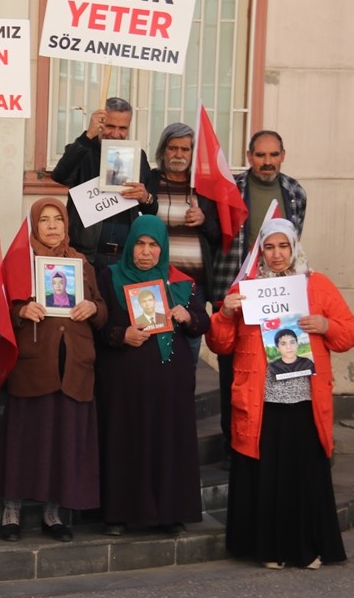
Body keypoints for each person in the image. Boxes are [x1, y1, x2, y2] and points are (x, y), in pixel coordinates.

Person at [207, 218, 354, 569]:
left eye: (284, 246)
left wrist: (325, 325)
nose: (277, 255)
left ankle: (307, 547)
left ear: (294, 249)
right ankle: (269, 549)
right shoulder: (246, 288)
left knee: (304, 478)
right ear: (261, 251)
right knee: (266, 479)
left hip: (305, 399)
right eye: (270, 247)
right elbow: (220, 344)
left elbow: (351, 332)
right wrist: (225, 315)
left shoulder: (316, 285)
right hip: (260, 402)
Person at [0, 199, 106, 542]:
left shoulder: (81, 263)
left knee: (63, 441)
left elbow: (102, 309)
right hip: (34, 366)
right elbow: (0, 308)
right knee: (25, 440)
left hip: (74, 366)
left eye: (59, 219)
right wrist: (22, 312)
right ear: (34, 225)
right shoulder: (19, 260)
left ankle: (53, 514)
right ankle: (11, 513)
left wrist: (92, 307)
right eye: (45, 220)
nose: (53, 226)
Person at [95, 215, 208, 536]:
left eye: (153, 245)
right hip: (124, 385)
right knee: (124, 444)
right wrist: (121, 335)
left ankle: (170, 513)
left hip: (170, 386)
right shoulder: (110, 277)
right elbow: (97, 326)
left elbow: (204, 322)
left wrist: (188, 317)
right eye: (140, 244)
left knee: (167, 444)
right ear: (130, 245)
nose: (146, 252)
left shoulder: (181, 282)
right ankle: (118, 514)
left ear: (163, 248)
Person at [210, 130, 308, 463]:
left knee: (277, 370)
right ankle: (232, 447)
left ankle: (273, 442)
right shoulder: (231, 189)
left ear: (283, 155)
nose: (267, 162)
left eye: (273, 155)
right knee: (234, 375)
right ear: (249, 155)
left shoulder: (295, 192)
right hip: (235, 292)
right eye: (260, 155)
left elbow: (292, 242)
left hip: (277, 294)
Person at [49, 97, 157, 269]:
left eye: (122, 128)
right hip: (86, 256)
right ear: (99, 123)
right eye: (110, 126)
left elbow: (151, 209)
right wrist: (88, 135)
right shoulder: (81, 149)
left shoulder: (137, 156)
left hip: (123, 258)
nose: (115, 133)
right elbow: (60, 176)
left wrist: (146, 197)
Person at [150, 122, 220, 292]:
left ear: (193, 153)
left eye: (185, 149)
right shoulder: (150, 181)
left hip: (195, 283)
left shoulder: (202, 187)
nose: (179, 154)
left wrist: (203, 220)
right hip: (156, 279)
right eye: (173, 148)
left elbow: (217, 236)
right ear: (162, 151)